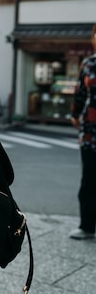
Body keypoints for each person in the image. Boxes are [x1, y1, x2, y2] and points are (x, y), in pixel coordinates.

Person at [69, 23, 96, 240]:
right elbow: (80, 93)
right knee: (88, 180)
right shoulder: (89, 63)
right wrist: (75, 115)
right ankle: (87, 226)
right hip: (89, 133)